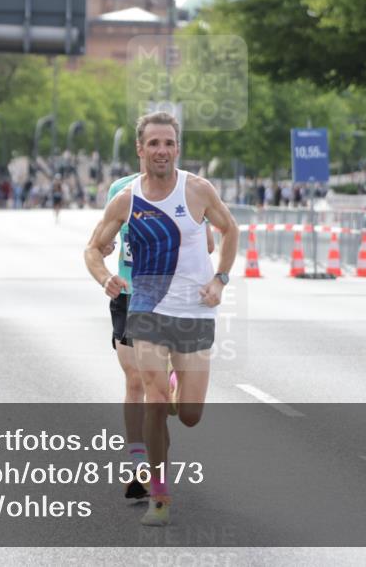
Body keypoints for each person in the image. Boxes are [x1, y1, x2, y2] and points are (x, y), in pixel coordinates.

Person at [85, 112, 238, 526]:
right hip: (147, 306)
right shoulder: (126, 198)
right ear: (140, 149)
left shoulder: (198, 189)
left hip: (194, 311)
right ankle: (159, 494)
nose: (161, 150)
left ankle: (175, 390)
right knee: (151, 397)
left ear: (177, 148)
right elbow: (93, 248)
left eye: (168, 143)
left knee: (189, 414)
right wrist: (105, 277)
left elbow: (229, 231)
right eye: (153, 143)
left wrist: (220, 279)